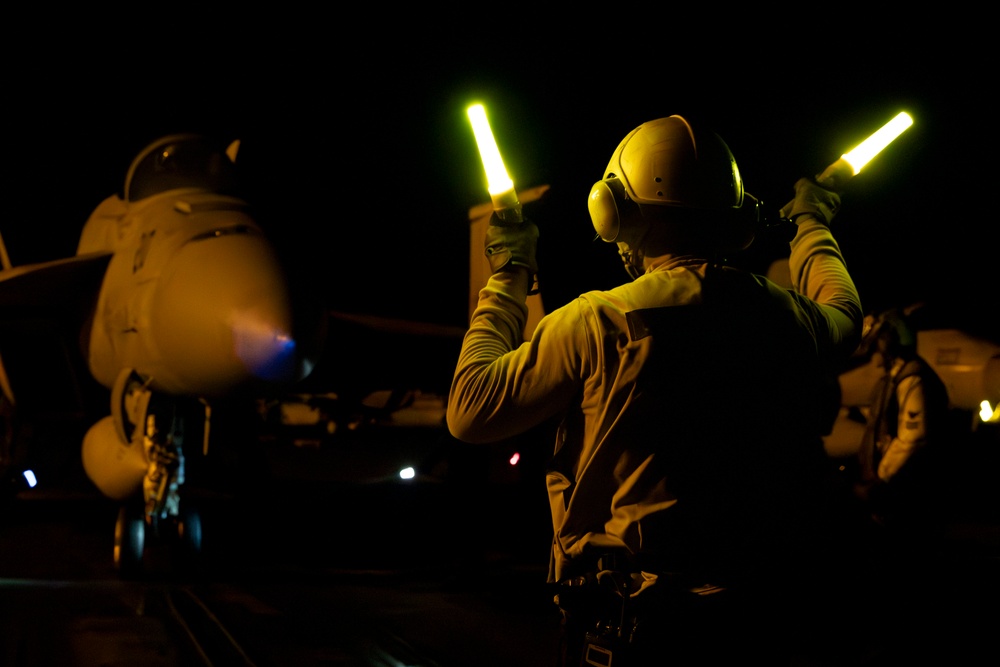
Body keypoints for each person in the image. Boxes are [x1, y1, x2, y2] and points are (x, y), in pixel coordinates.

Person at [446, 115, 863, 665]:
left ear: (613, 210)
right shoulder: (787, 316)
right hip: (756, 621)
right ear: (733, 215)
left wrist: (508, 274)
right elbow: (845, 313)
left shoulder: (598, 321)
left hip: (634, 629)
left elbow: (470, 412)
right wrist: (811, 222)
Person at [855, 308, 950, 535]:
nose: (873, 356)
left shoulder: (912, 379)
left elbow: (912, 438)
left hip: (903, 495)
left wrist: (880, 480)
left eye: (876, 345)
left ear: (888, 343)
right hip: (893, 496)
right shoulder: (895, 378)